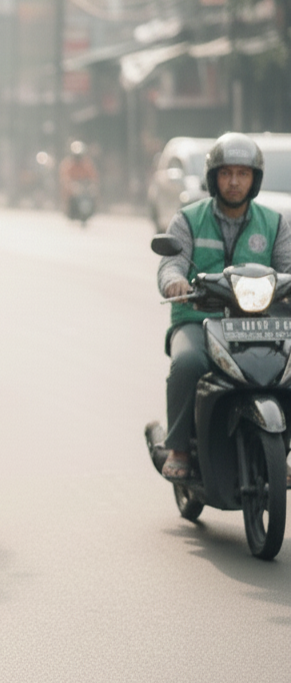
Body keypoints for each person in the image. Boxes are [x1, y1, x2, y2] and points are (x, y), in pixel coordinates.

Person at [158, 132, 291, 479]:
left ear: (254, 179)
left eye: (243, 174)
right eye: (226, 173)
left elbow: (287, 268)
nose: (234, 182)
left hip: (259, 322)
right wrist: (175, 280)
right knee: (187, 363)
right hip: (198, 319)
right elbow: (171, 263)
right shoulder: (187, 219)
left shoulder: (275, 223)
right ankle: (179, 448)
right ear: (213, 177)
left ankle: (282, 447)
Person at [58, 140, 98, 218]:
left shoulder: (87, 163)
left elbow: (93, 176)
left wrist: (92, 184)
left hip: (84, 186)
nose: (78, 158)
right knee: (67, 194)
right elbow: (64, 177)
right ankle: (68, 210)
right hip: (73, 187)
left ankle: (93, 209)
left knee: (94, 193)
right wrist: (70, 183)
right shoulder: (68, 164)